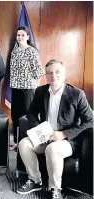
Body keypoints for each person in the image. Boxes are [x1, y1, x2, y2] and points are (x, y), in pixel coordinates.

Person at [17, 60, 93, 199]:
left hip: (68, 141)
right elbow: (31, 113)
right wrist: (39, 129)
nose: (54, 76)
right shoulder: (41, 91)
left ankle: (55, 188)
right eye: (50, 73)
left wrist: (64, 134)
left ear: (64, 74)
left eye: (57, 72)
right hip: (45, 137)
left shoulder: (77, 94)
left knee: (52, 149)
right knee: (24, 144)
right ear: (46, 75)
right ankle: (35, 180)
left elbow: (91, 121)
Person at [10, 26, 43, 149]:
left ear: (28, 37)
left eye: (23, 35)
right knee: (15, 116)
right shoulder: (14, 51)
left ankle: (29, 142)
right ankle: (17, 143)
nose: (20, 37)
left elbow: (39, 71)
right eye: (18, 35)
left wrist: (32, 83)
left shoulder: (32, 51)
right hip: (15, 88)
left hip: (28, 89)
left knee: (27, 117)